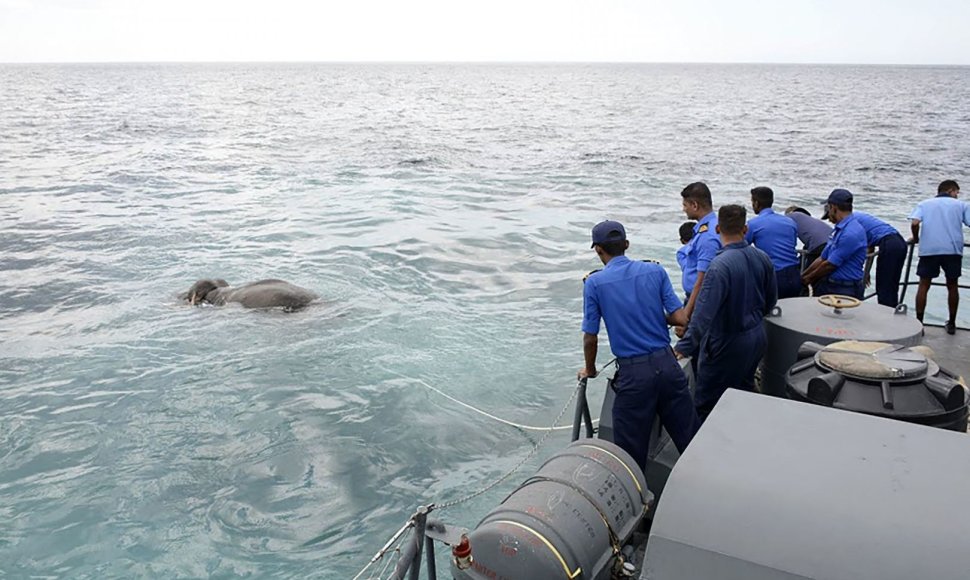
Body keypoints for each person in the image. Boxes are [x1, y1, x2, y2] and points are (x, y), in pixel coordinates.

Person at [579, 220, 698, 469]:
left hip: (634, 376)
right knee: (691, 441)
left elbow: (591, 337)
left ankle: (640, 503)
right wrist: (656, 318)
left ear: (598, 250)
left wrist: (589, 369)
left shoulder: (594, 283)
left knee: (629, 457)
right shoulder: (654, 271)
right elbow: (680, 319)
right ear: (627, 245)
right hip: (668, 366)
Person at [674, 205, 777, 419]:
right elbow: (770, 301)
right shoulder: (763, 257)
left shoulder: (719, 266)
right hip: (756, 338)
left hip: (726, 344)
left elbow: (703, 316)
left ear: (718, 229)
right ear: (745, 229)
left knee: (707, 403)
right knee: (743, 393)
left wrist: (684, 346)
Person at [910, 180, 970, 335]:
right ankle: (952, 323)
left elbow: (915, 222)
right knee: (952, 285)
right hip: (952, 249)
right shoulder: (961, 205)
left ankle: (919, 323)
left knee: (924, 285)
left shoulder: (924, 204)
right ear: (950, 190)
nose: (957, 195)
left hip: (930, 249)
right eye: (957, 192)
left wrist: (916, 238)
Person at [802, 189, 867, 299]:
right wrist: (804, 276)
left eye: (828, 208)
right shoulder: (839, 229)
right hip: (830, 284)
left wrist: (808, 279)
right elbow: (823, 258)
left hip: (844, 289)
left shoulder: (851, 233)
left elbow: (830, 265)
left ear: (833, 207)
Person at [839, 210, 907, 307]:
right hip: (899, 242)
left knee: (884, 286)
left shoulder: (851, 221)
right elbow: (869, 247)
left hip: (888, 243)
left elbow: (860, 246)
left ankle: (886, 316)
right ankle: (892, 312)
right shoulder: (858, 216)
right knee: (891, 285)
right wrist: (866, 273)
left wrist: (864, 273)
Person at [746, 186, 801, 298]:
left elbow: (740, 246)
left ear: (756, 203)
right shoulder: (789, 222)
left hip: (774, 276)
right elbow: (793, 244)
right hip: (794, 273)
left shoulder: (753, 224)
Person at [679, 182, 722, 319]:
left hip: (699, 301)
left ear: (695, 205)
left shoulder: (707, 236)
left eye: (685, 205)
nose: (683, 209)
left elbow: (702, 280)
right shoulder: (714, 225)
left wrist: (687, 313)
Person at [784, 206, 832, 271]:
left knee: (808, 271)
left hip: (820, 246)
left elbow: (787, 240)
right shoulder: (813, 222)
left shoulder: (790, 217)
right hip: (832, 243)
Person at [676, 221, 696, 300]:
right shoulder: (705, 247)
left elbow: (687, 267)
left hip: (691, 293)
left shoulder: (681, 253)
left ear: (682, 240)